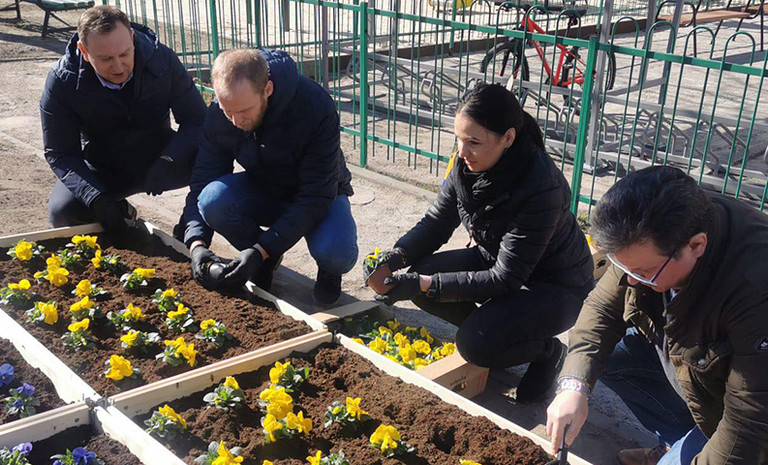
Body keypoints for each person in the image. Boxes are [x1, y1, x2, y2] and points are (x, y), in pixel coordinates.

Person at [366, 83, 594, 402]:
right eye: (459, 139)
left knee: (472, 342)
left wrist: (425, 283)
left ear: (508, 138)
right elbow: (437, 221)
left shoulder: (540, 186)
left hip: (556, 287)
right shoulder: (467, 166)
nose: (462, 152)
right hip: (498, 258)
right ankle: (499, 337)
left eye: (473, 142)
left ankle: (547, 352)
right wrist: (395, 257)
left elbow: (506, 278)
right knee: (425, 275)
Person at [546, 166, 768, 465]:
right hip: (709, 378)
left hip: (756, 414)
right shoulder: (652, 231)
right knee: (610, 356)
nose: (632, 280)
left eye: (644, 272)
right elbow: (601, 309)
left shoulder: (755, 289)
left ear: (696, 245)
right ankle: (679, 441)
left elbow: (750, 419)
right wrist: (574, 385)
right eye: (625, 268)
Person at [181, 48, 357, 305]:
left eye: (244, 110)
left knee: (335, 252)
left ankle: (328, 271)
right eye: (228, 111)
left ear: (268, 89)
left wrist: (261, 248)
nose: (235, 121)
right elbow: (204, 178)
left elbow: (316, 195)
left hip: (321, 194)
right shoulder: (222, 112)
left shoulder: (313, 106)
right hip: (265, 188)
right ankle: (265, 260)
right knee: (212, 200)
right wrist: (196, 244)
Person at [40, 5, 206, 233]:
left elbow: (198, 120)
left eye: (125, 54)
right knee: (63, 212)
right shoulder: (63, 80)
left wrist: (170, 158)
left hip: (161, 156)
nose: (118, 67)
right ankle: (120, 214)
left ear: (132, 37)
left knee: (215, 161)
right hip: (104, 165)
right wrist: (95, 197)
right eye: (106, 59)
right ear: (84, 51)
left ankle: (189, 229)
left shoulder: (162, 59)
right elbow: (61, 153)